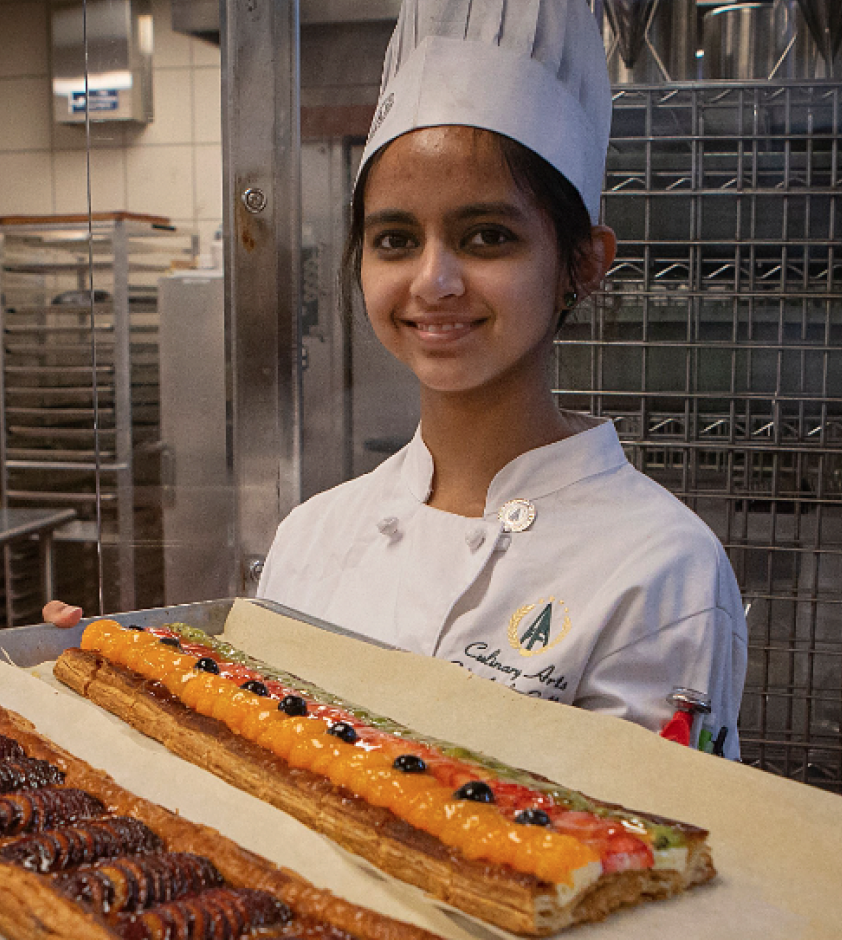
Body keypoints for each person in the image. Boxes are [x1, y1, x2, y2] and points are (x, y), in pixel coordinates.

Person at [48, 0, 748, 758]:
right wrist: (124, 692)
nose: (433, 280)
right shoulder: (313, 536)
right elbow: (254, 768)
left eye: (488, 236)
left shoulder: (660, 569)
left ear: (582, 264)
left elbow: (642, 853)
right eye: (395, 239)